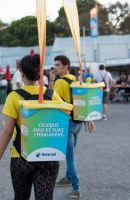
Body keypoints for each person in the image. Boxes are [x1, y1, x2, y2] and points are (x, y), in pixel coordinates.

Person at [0, 54, 64, 200]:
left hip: (21, 156)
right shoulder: (52, 94)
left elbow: (8, 130)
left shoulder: (14, 97)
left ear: (22, 73)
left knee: (21, 197)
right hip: (47, 155)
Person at [49, 55, 83, 199]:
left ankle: (76, 188)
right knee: (70, 152)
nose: (55, 68)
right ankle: (68, 178)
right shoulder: (75, 79)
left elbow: (50, 98)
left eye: (58, 65)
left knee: (70, 156)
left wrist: (51, 80)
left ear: (66, 67)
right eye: (55, 65)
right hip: (78, 121)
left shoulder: (60, 82)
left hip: (67, 121)